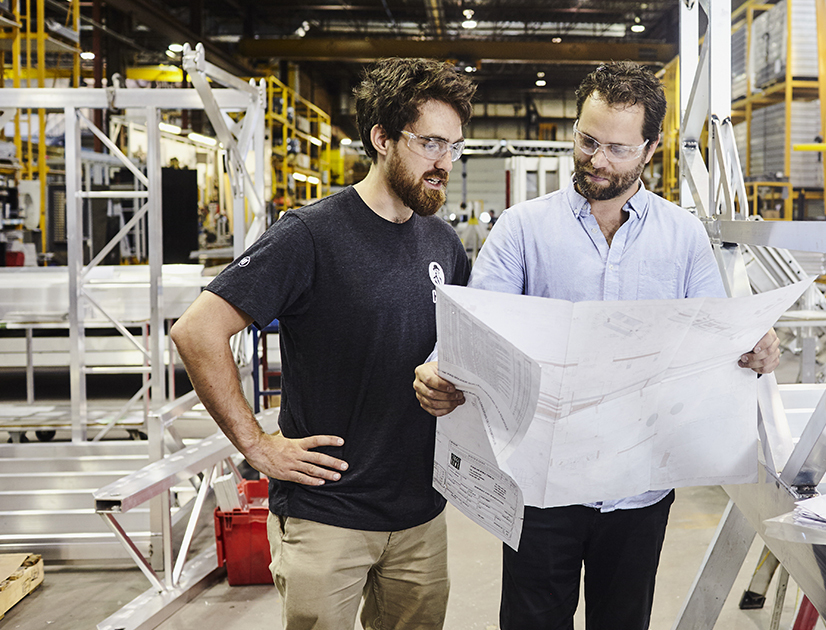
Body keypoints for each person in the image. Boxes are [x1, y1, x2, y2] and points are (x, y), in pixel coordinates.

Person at [413, 61, 780, 630]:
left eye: (617, 148)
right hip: (541, 485)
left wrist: (756, 348)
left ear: (651, 149)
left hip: (640, 486)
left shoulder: (681, 237)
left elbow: (722, 338)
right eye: (587, 141)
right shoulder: (522, 228)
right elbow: (475, 329)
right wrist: (439, 372)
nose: (597, 160)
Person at [170, 57, 475, 630]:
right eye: (430, 142)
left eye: (454, 146)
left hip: (420, 516)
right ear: (382, 138)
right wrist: (257, 446)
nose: (443, 162)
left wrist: (451, 389)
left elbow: (452, 358)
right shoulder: (312, 232)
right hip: (327, 516)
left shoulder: (444, 243)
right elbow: (196, 331)